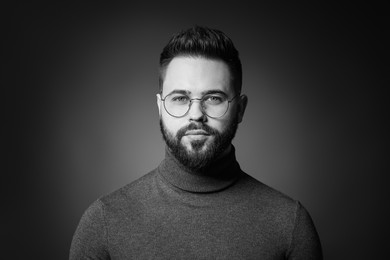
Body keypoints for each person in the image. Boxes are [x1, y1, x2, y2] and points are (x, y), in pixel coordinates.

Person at [70, 26, 323, 259]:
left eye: (213, 98)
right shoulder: (103, 222)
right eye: (180, 98)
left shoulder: (290, 224)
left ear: (240, 109)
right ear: (160, 108)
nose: (196, 114)